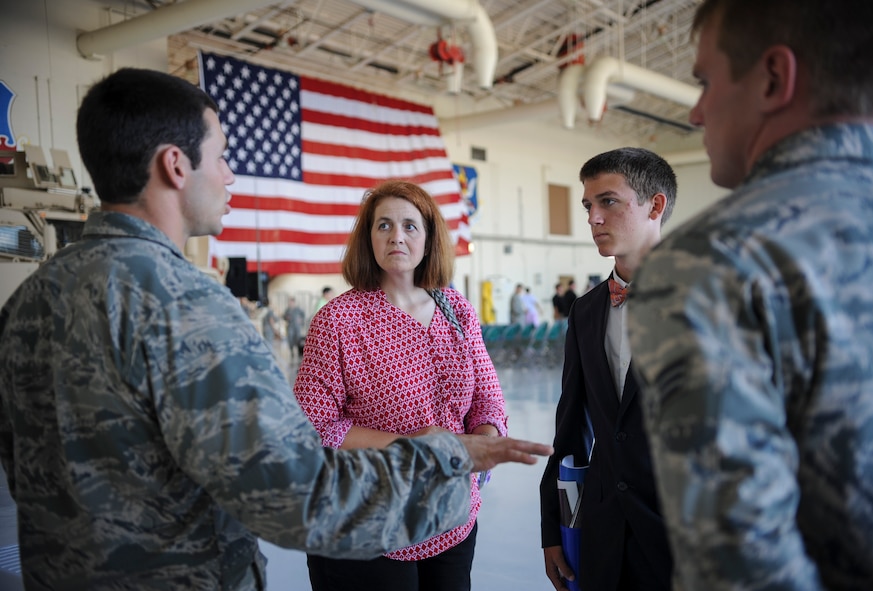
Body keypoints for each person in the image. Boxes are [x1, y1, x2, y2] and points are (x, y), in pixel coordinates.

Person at [0, 68, 552, 590]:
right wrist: (448, 454)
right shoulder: (192, 308)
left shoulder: (28, 299)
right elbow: (298, 494)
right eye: (221, 156)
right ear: (175, 165)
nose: (231, 174)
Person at [627, 1, 873, 589]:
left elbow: (739, 569)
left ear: (773, 78)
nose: (695, 112)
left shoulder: (710, 263)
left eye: (705, 81)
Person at [293, 179, 508, 591]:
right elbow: (312, 428)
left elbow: (487, 397)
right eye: (384, 225)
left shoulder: (455, 307)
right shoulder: (339, 321)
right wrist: (410, 443)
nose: (396, 236)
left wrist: (486, 442)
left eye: (410, 226)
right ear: (368, 238)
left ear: (428, 239)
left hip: (449, 513)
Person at [540, 148, 677, 591]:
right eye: (587, 206)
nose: (593, 218)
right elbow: (571, 428)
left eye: (608, 202)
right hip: (602, 532)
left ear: (655, 206)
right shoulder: (585, 311)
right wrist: (556, 528)